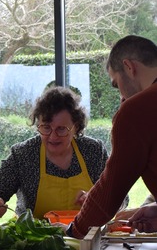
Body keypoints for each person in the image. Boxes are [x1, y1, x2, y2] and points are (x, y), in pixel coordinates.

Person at [67, 35, 157, 238]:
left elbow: (111, 189)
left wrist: (74, 232)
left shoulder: (136, 110)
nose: (122, 97)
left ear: (129, 67)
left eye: (116, 84)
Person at [0, 86, 110, 220]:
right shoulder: (24, 154)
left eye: (61, 129)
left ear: (75, 127)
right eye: (46, 128)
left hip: (86, 238)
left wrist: (99, 200)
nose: (53, 137)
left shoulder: (94, 151)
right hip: (35, 238)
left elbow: (119, 198)